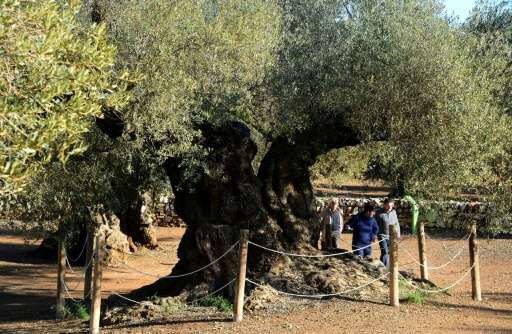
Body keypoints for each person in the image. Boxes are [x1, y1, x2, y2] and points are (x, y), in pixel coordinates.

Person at [376, 198, 400, 267]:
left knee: (390, 252)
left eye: (391, 206)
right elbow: (375, 223)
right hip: (382, 235)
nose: (390, 207)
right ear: (384, 205)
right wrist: (374, 234)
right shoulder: (379, 213)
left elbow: (397, 223)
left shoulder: (394, 212)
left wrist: (398, 234)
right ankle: (383, 268)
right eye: (388, 206)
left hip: (392, 236)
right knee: (384, 252)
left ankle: (386, 267)